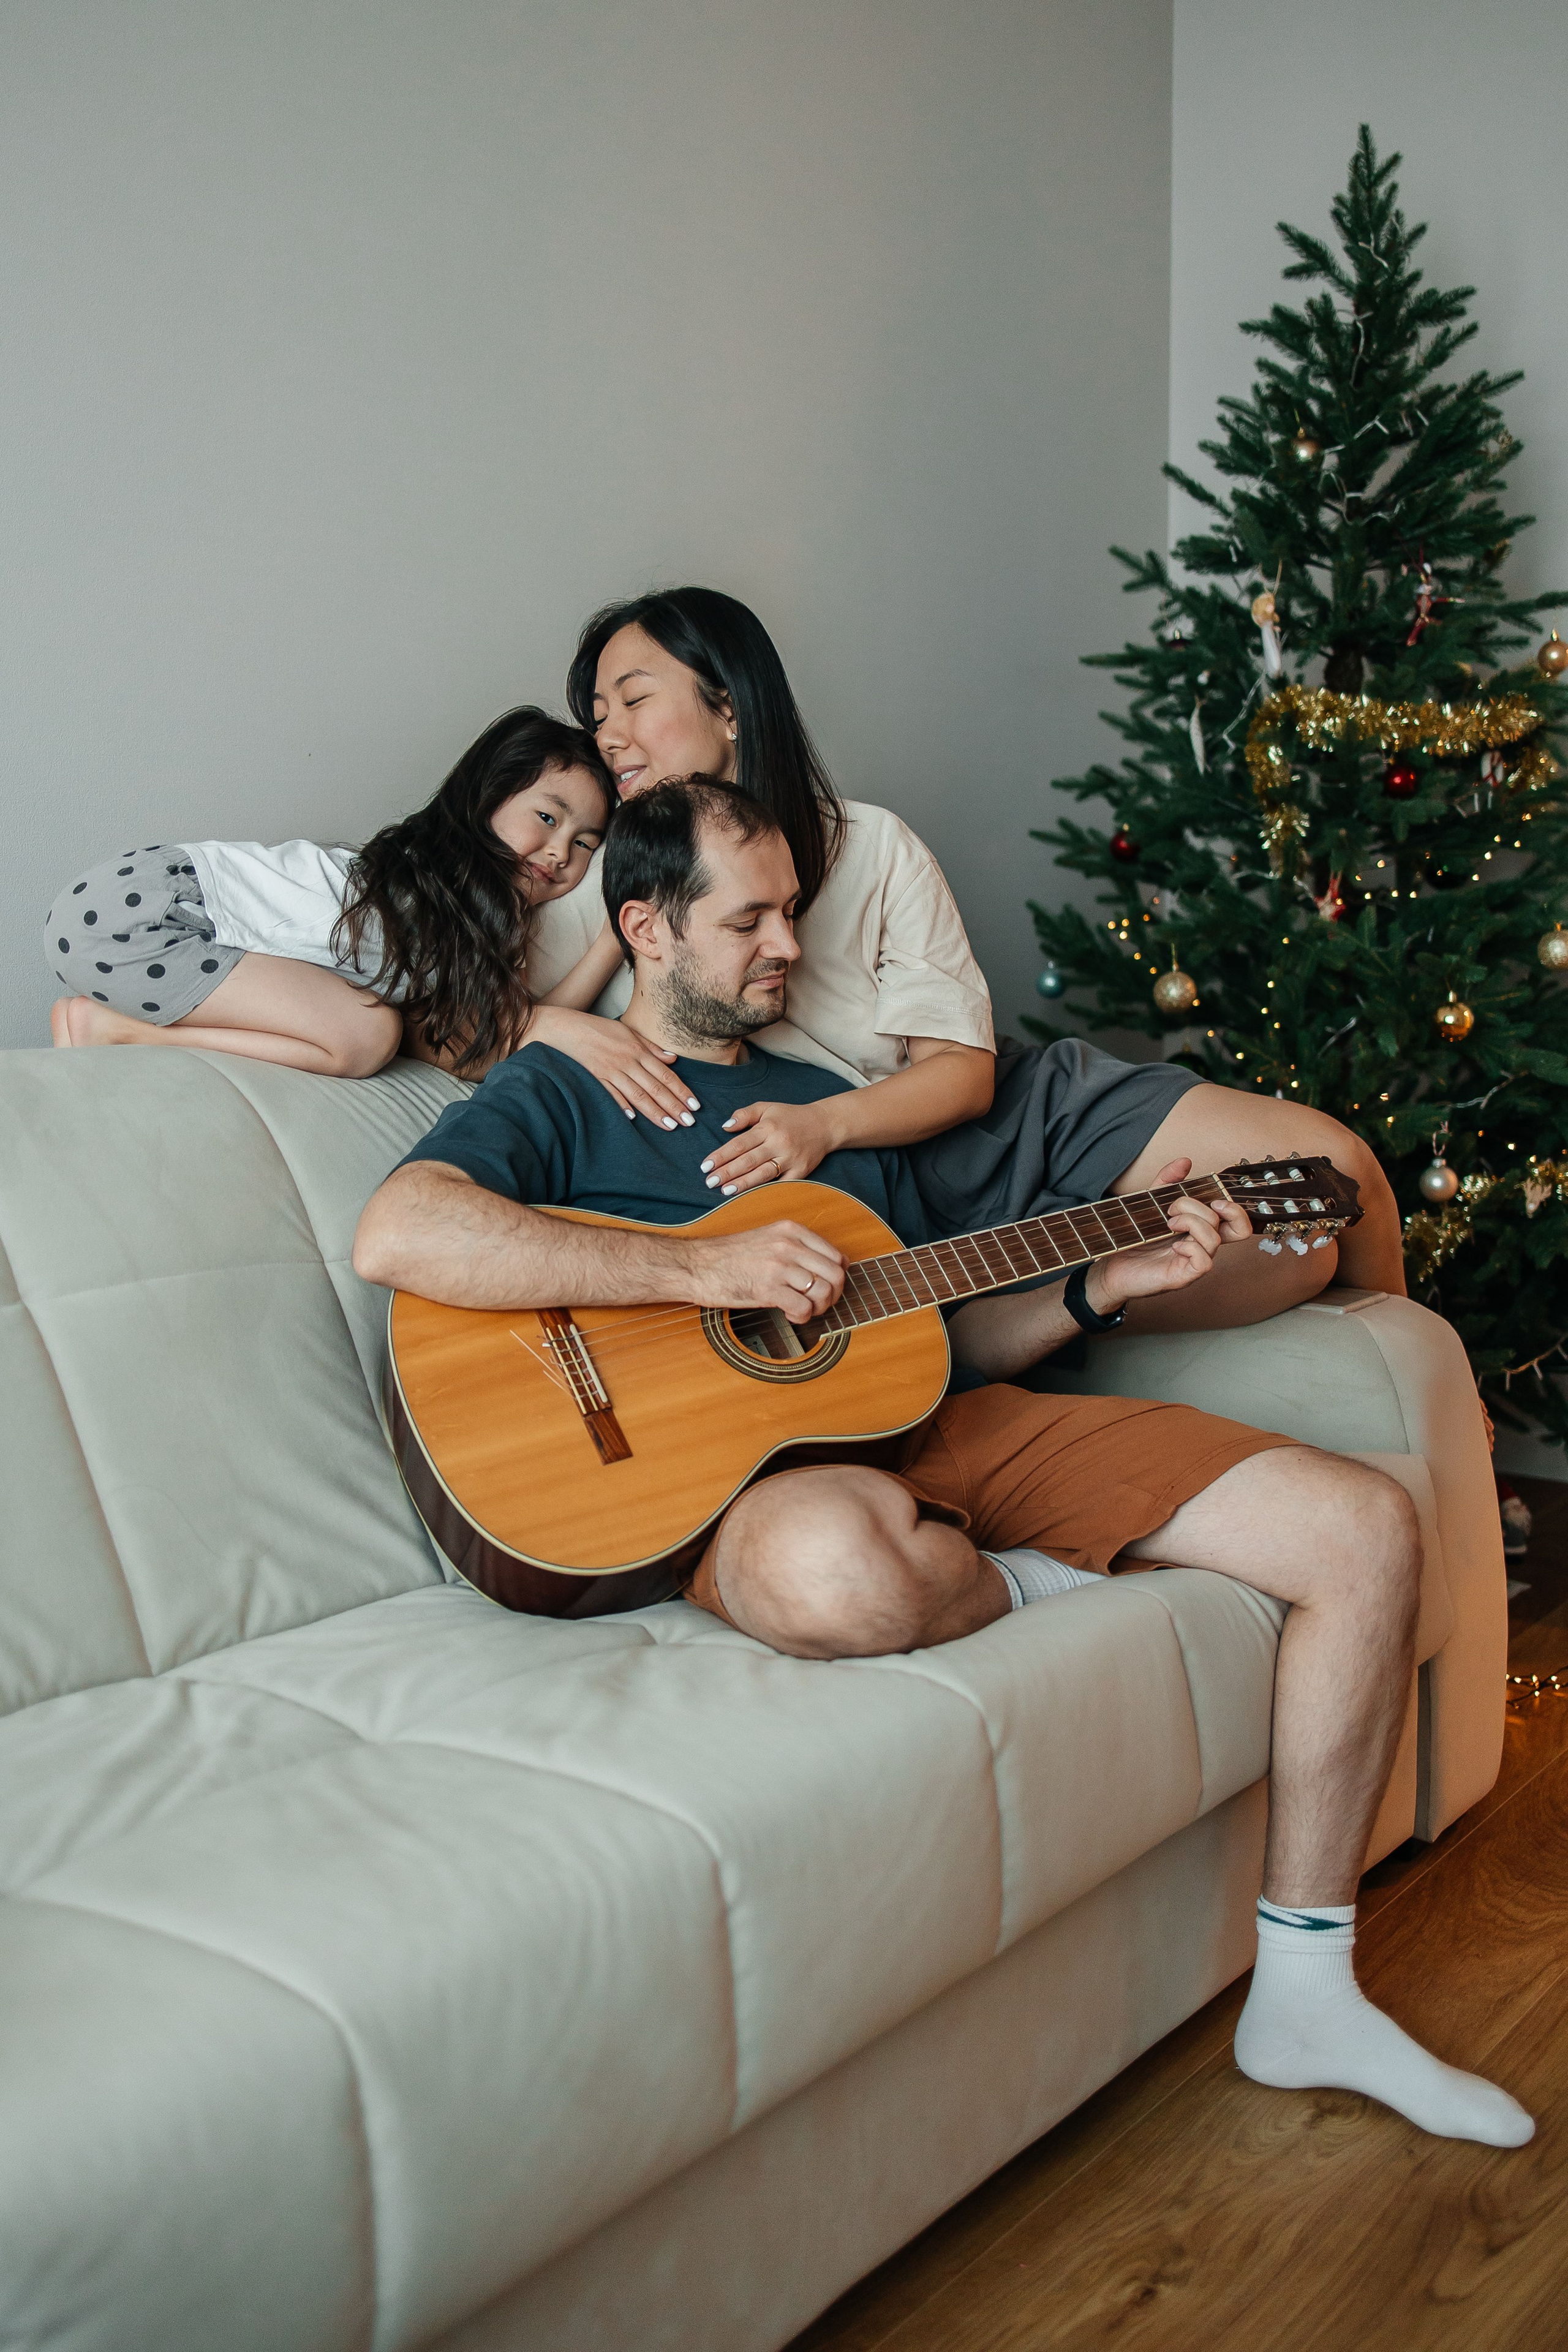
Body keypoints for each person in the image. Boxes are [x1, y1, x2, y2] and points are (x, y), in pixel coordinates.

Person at [355, 779, 1530, 2150]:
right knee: (835, 1572)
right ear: (648, 929)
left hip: (934, 1430)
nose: (787, 946)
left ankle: (1309, 1990)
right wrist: (704, 1273)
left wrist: (1100, 1287)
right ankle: (1032, 1576)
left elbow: (933, 1340)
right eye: (748, 920)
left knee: (1363, 1527)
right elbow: (403, 1231)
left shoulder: (829, 1109)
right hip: (747, 1487)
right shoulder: (564, 1090)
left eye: (793, 912)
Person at [521, 584, 1403, 1334]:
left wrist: (825, 1125)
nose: (609, 736)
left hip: (987, 1123)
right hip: (856, 1205)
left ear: (729, 705)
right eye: (597, 717)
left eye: (633, 701)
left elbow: (961, 1076)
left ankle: (1430, 1385)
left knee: (1334, 1168)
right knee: (1290, 1262)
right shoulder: (596, 887)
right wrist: (553, 1024)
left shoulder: (872, 845)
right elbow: (459, 1036)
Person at [45, 707, 613, 1079]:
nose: (560, 852)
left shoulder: (448, 898)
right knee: (367, 1036)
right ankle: (118, 1031)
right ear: (487, 797)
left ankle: (110, 1027)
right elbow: (489, 1048)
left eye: (586, 843)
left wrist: (612, 938)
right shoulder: (442, 896)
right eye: (547, 817)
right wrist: (612, 944)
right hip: (149, 917)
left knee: (370, 1029)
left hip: (125, 902)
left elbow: (516, 1031)